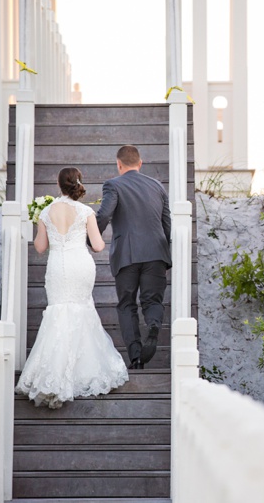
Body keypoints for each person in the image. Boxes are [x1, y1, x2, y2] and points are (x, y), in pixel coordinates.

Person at [15, 167, 129, 409]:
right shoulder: (85, 211)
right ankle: (84, 372)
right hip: (80, 265)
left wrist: (40, 226)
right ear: (77, 184)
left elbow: (40, 247)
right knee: (81, 309)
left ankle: (53, 375)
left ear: (58, 185)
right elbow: (97, 246)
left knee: (58, 311)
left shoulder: (46, 212)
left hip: (58, 266)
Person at [96, 145, 172, 370]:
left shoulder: (113, 185)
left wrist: (91, 239)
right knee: (152, 301)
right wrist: (166, 255)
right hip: (156, 254)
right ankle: (154, 325)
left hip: (126, 255)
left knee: (127, 304)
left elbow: (104, 214)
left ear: (119, 165)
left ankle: (136, 356)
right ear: (140, 163)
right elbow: (167, 224)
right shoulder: (158, 186)